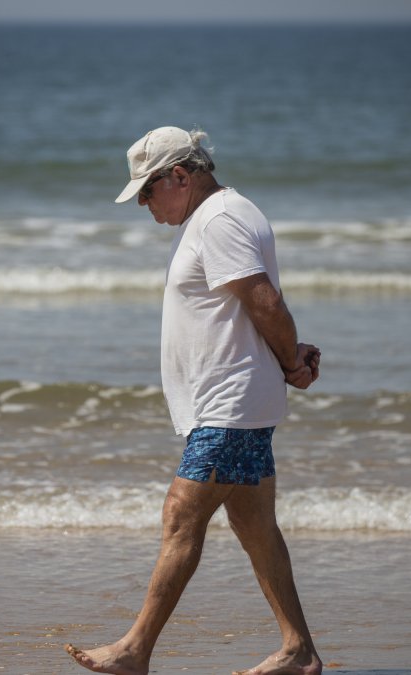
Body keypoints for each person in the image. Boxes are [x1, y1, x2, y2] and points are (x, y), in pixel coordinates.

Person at [65, 126, 323, 675]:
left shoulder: (221, 219)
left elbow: (265, 300)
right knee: (255, 526)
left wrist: (290, 363)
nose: (142, 203)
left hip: (229, 405)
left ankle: (135, 650)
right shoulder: (219, 216)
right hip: (234, 400)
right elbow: (252, 310)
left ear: (179, 176)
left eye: (146, 190)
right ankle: (298, 649)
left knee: (182, 515)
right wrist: (287, 358)